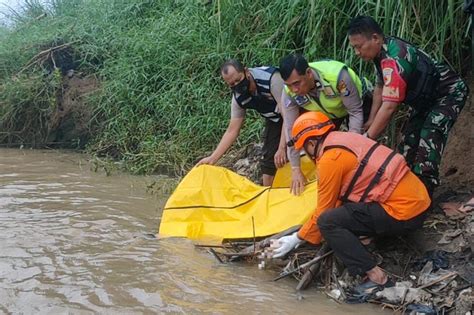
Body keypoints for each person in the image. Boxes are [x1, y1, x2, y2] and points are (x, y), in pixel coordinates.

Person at [272, 112, 431, 291]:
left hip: (403, 212)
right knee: (339, 214)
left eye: (305, 150)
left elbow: (325, 211)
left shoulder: (330, 159)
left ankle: (376, 277)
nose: (308, 155)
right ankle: (366, 240)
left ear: (311, 143)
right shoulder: (345, 138)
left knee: (328, 222)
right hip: (419, 201)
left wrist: (297, 238)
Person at [347, 16, 469, 196]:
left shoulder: (395, 59)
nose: (357, 52)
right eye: (354, 48)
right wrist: (371, 119)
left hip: (448, 94)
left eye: (359, 46)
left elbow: (389, 107)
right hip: (424, 102)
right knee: (408, 143)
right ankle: (403, 187)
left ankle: (424, 192)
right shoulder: (380, 54)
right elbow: (380, 87)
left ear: (375, 38)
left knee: (430, 135)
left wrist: (367, 140)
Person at [279, 54, 373, 195]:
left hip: (357, 105)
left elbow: (355, 112)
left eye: (297, 83)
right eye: (288, 85)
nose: (294, 90)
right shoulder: (289, 92)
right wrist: (295, 168)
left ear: (309, 73)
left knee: (362, 149)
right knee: (318, 146)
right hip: (327, 113)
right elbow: (291, 129)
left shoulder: (338, 76)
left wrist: (352, 147)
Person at [196, 59, 287, 186]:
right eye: (232, 84)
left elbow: (288, 115)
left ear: (246, 71)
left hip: (294, 111)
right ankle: (270, 197)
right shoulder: (238, 98)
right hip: (275, 119)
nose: (237, 85)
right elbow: (232, 130)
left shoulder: (272, 79)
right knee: (268, 166)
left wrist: (282, 148)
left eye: (238, 80)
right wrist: (213, 158)